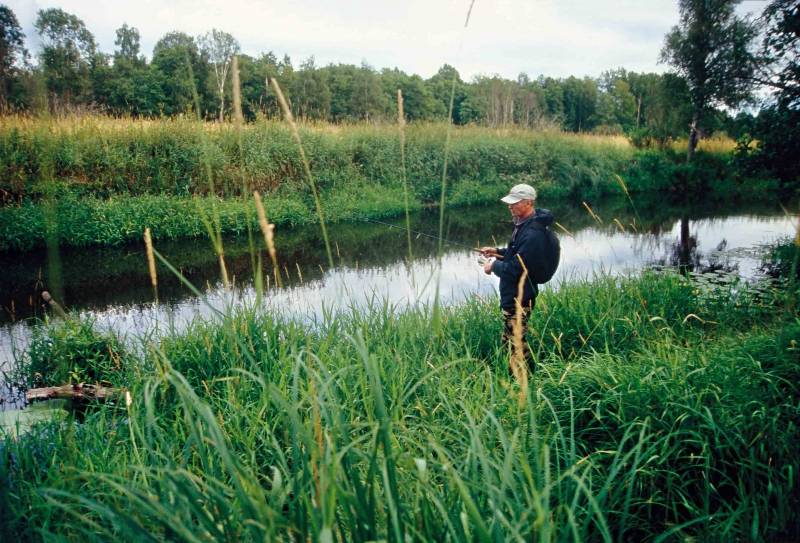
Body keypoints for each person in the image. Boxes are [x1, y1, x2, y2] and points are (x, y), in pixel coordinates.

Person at [480, 183, 555, 373]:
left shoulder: (533, 234)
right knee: (510, 339)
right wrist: (497, 252)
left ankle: (526, 378)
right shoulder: (525, 224)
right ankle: (514, 374)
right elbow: (518, 255)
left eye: (515, 202)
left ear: (528, 203)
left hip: (520, 296)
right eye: (510, 202)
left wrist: (493, 266)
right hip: (514, 294)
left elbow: (516, 268)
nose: (510, 206)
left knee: (516, 341)